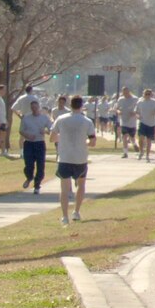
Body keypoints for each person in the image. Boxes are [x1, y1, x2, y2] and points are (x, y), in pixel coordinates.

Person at [49, 93, 95, 224]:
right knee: (81, 185)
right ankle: (76, 211)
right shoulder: (87, 121)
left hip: (64, 157)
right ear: (82, 106)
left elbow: (52, 138)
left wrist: (62, 139)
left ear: (70, 105)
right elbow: (92, 142)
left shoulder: (61, 119)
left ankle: (64, 216)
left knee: (64, 188)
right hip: (80, 158)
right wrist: (84, 142)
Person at [17, 91, 51, 194]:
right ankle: (29, 177)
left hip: (39, 143)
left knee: (40, 165)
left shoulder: (44, 118)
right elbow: (21, 130)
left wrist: (44, 131)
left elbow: (51, 130)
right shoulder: (26, 118)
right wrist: (27, 135)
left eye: (36, 108)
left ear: (39, 107)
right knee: (29, 164)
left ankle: (37, 185)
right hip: (29, 143)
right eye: (32, 108)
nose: (34, 110)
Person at [134, 88, 155, 162]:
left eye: (149, 94)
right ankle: (141, 151)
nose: (147, 95)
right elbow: (136, 112)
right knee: (141, 138)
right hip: (143, 122)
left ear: (151, 95)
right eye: (146, 94)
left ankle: (147, 155)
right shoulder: (140, 102)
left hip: (151, 123)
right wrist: (138, 116)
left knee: (149, 140)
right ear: (143, 94)